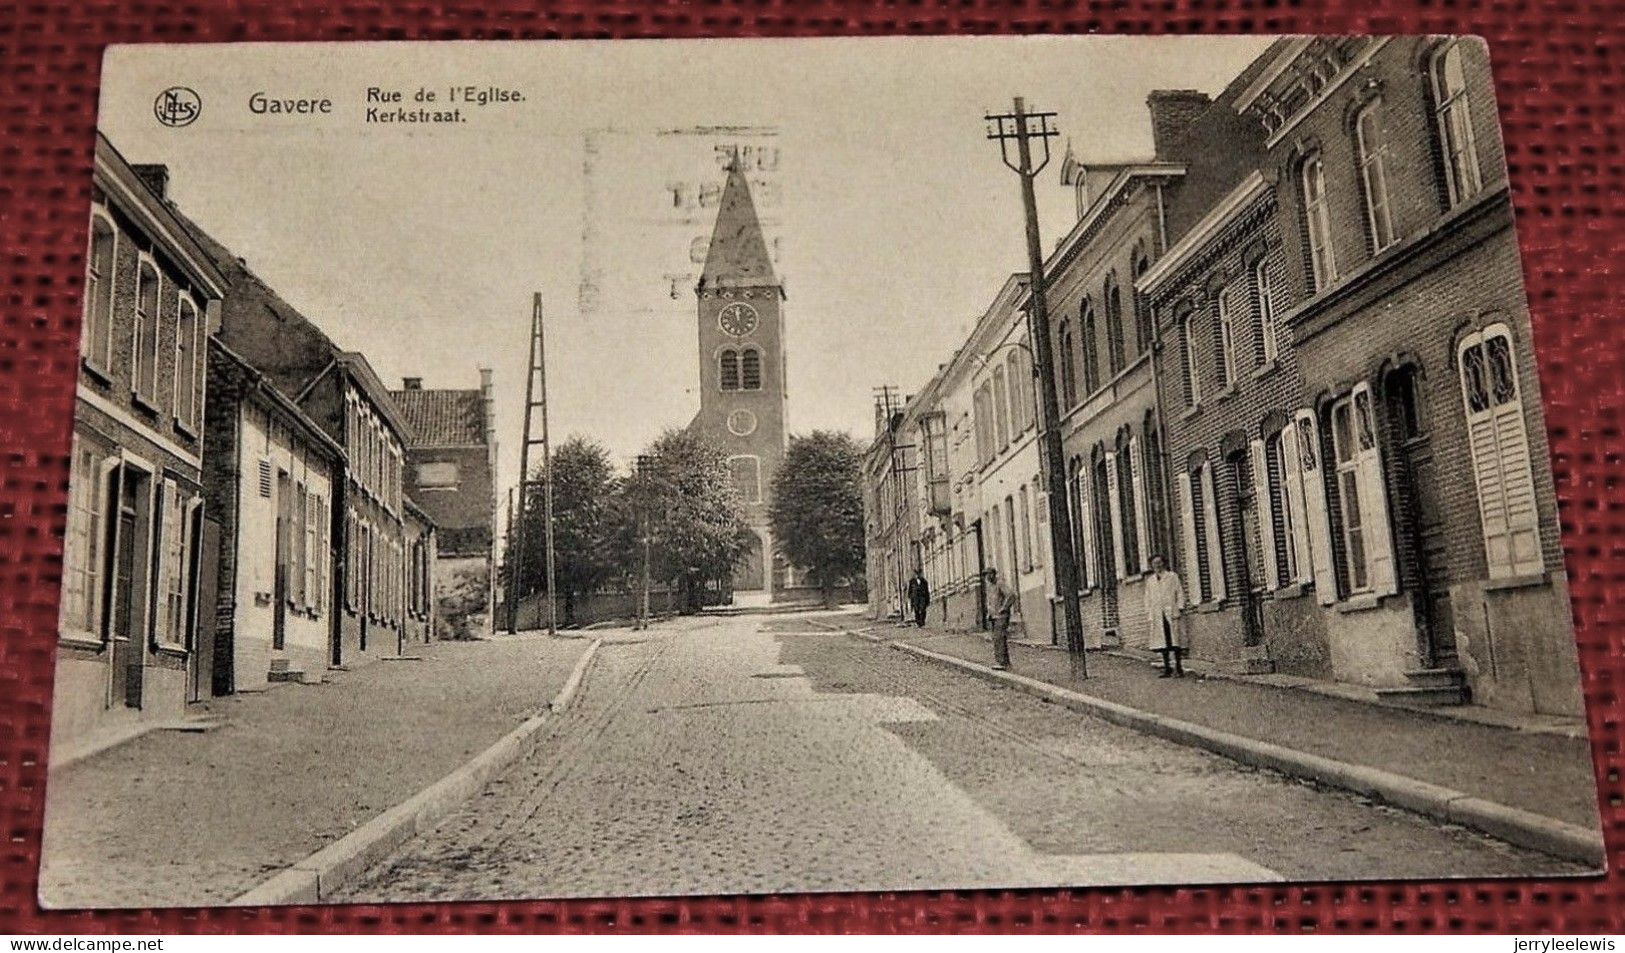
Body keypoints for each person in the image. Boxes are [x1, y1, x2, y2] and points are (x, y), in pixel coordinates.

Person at [1143, 554, 1189, 678]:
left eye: (1159, 563)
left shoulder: (1172, 577)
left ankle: (1179, 668)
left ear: (1163, 563)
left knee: (1175, 641)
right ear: (1152, 566)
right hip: (1158, 614)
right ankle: (1167, 667)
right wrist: (1149, 612)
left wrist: (1180, 606)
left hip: (1171, 612)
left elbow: (1179, 592)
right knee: (1163, 643)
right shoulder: (1151, 581)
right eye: (1154, 564)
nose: (1157, 566)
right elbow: (1148, 598)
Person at [983, 568, 1015, 670]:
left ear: (993, 574)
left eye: (989, 574)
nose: (987, 577)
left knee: (1000, 638)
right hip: (994, 617)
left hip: (1001, 616)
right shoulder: (989, 587)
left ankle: (1002, 662)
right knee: (997, 639)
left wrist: (1004, 608)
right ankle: (1003, 662)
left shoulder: (1000, 584)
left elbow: (1011, 595)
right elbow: (990, 602)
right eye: (986, 575)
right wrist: (989, 613)